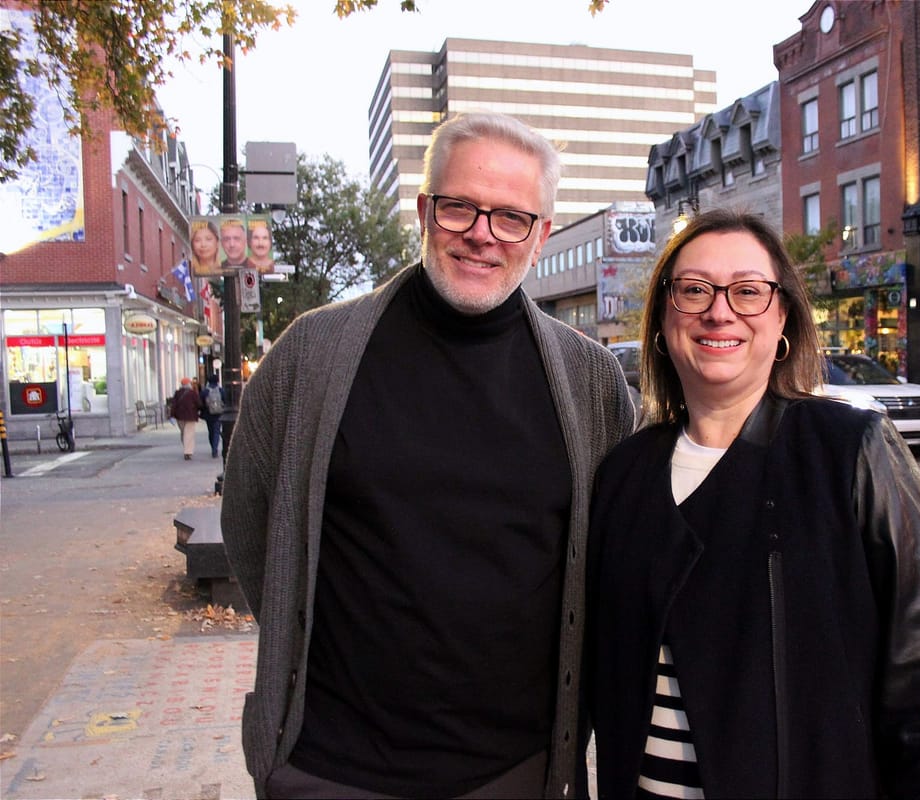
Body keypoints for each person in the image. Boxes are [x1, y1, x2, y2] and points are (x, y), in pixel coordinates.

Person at [221, 111, 634, 799]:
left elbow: (610, 561)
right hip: (327, 768)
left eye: (511, 217)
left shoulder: (591, 381)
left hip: (516, 772)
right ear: (423, 211)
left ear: (541, 236)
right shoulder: (311, 355)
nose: (482, 233)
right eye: (459, 207)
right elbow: (250, 523)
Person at [586, 209, 920, 799]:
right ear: (664, 317)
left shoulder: (850, 451)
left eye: (748, 291)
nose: (720, 311)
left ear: (782, 317)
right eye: (694, 290)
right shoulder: (623, 474)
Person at [167, 377, 201, 460]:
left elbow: (174, 405)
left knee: (183, 433)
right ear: (189, 384)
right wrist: (199, 411)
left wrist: (172, 415)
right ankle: (188, 452)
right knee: (189, 433)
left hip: (180, 417)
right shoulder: (193, 393)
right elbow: (199, 404)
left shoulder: (177, 393)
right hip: (190, 416)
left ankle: (186, 448)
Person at [199, 374, 225, 459]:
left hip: (208, 414)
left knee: (211, 432)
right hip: (219, 414)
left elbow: (200, 403)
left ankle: (213, 447)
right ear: (218, 381)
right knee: (217, 431)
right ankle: (215, 449)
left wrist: (202, 411)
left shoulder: (205, 391)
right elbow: (225, 400)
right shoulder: (221, 390)